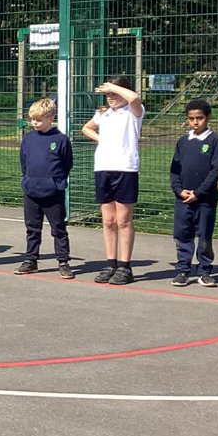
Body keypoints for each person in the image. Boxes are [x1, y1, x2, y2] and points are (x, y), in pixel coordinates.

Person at [81, 76, 143, 285]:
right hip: (103, 169)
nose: (110, 98)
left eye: (114, 94)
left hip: (125, 169)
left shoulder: (134, 111)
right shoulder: (103, 114)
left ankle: (125, 266)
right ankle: (111, 263)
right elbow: (86, 128)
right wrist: (102, 140)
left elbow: (134, 97)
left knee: (123, 220)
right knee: (108, 221)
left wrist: (115, 87)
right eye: (108, 95)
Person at [169, 99, 218, 287]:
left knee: (204, 235)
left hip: (205, 199)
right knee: (182, 234)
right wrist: (179, 190)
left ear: (207, 118)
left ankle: (205, 270)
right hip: (183, 199)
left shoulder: (215, 141)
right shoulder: (183, 141)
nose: (195, 122)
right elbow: (174, 169)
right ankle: (183, 270)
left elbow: (215, 170)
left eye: (199, 118)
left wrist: (199, 192)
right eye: (191, 118)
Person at [16, 98, 74, 278]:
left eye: (38, 120)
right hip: (32, 191)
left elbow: (67, 164)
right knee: (32, 228)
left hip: (52, 193)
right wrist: (28, 180)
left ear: (51, 118)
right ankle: (31, 260)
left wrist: (56, 182)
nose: (34, 123)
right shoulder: (28, 138)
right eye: (32, 119)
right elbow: (24, 163)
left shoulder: (61, 140)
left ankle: (63, 261)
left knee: (58, 228)